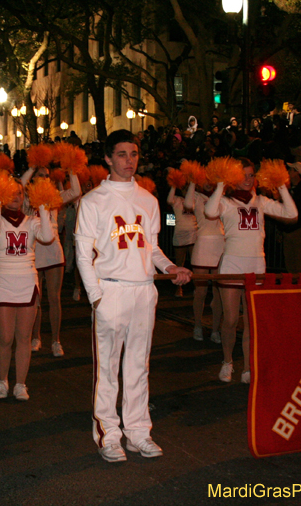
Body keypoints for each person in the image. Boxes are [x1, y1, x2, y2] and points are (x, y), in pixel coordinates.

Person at [75, 130, 192, 463]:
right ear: (108, 158)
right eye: (123, 154)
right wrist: (96, 295)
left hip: (144, 290)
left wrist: (170, 268)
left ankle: (138, 432)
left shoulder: (148, 199)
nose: (130, 161)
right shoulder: (93, 200)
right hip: (110, 289)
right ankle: (108, 435)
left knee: (139, 366)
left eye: (135, 154)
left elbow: (151, 247)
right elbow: (83, 254)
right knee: (108, 369)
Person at [204, 158, 297, 384]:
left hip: (256, 265)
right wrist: (220, 184)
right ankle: (227, 361)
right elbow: (209, 212)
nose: (248, 179)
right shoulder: (225, 202)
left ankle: (247, 366)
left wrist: (281, 184)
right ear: (233, 177)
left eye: (251, 174)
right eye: (243, 175)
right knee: (231, 319)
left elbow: (292, 214)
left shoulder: (262, 201)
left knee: (251, 321)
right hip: (232, 265)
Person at [0, 183, 54, 401]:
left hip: (26, 281)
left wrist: (43, 206)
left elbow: (47, 236)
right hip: (2, 280)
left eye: (19, 193)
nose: (15, 196)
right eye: (10, 192)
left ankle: (21, 384)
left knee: (23, 338)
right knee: (5, 337)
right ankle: (3, 380)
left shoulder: (32, 221)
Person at [21, 166, 81, 356]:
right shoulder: (26, 197)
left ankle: (56, 340)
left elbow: (76, 191)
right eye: (41, 175)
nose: (45, 178)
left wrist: (71, 165)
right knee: (35, 299)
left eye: (47, 176)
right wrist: (32, 166)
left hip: (53, 251)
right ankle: (36, 337)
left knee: (54, 298)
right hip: (34, 251)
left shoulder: (55, 196)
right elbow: (20, 184)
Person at [185, 179, 223, 343]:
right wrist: (193, 182)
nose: (208, 182)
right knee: (200, 292)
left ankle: (215, 330)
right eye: (204, 179)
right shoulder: (196, 196)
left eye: (211, 179)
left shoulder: (220, 196)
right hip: (202, 246)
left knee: (218, 293)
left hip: (220, 245)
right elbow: (187, 205)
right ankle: (198, 326)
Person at [167, 176, 197, 297]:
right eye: (184, 188)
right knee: (180, 263)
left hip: (194, 233)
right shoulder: (177, 199)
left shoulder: (195, 199)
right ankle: (178, 288)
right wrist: (174, 184)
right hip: (180, 234)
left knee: (195, 263)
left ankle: (197, 288)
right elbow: (169, 200)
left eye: (187, 188)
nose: (185, 190)